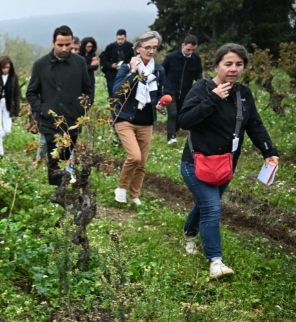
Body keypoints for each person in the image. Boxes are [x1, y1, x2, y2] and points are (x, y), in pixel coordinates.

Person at [178, 44, 278, 279]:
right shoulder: (202, 89)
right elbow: (185, 120)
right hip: (196, 163)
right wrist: (212, 98)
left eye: (239, 64)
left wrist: (268, 151)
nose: (233, 69)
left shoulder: (243, 93)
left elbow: (254, 124)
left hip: (225, 164)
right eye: (228, 64)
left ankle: (188, 234)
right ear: (216, 66)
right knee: (212, 208)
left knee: (205, 204)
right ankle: (216, 262)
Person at [25, 25, 91, 186]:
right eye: (60, 45)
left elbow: (87, 90)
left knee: (67, 157)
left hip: (73, 120)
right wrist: (43, 110)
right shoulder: (41, 65)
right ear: (53, 42)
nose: (64, 48)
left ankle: (65, 190)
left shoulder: (80, 63)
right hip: (50, 121)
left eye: (67, 45)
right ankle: (56, 194)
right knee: (54, 160)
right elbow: (31, 93)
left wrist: (82, 108)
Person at [111, 31, 166, 207]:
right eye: (147, 47)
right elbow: (117, 92)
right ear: (138, 49)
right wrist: (134, 71)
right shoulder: (126, 68)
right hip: (125, 118)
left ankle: (134, 196)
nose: (151, 51)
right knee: (134, 157)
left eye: (154, 48)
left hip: (146, 120)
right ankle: (121, 188)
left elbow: (158, 94)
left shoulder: (158, 70)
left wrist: (159, 104)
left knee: (142, 163)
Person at [163, 35, 202, 144]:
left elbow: (198, 74)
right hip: (170, 90)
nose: (190, 52)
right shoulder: (171, 57)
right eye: (188, 49)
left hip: (186, 92)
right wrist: (165, 84)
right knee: (173, 113)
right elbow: (162, 72)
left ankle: (173, 132)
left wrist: (201, 81)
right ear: (182, 45)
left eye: (193, 50)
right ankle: (171, 138)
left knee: (181, 116)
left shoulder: (196, 59)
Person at [0, 55, 20, 159]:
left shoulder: (14, 76)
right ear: (0, 67)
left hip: (8, 104)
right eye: (4, 67)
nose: (6, 70)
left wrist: (17, 110)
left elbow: (17, 94)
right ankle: (0, 153)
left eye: (8, 67)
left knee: (7, 130)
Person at [101, 29, 134, 99]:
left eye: (122, 39)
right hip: (112, 76)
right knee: (113, 97)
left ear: (126, 37)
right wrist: (111, 66)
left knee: (125, 97)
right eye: (118, 39)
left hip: (126, 76)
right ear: (116, 38)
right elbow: (104, 61)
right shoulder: (110, 47)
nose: (120, 41)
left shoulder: (130, 47)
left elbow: (133, 59)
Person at [80, 37, 99, 104]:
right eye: (88, 46)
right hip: (81, 80)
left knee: (91, 99)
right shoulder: (79, 55)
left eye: (91, 47)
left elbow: (95, 67)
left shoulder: (92, 54)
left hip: (90, 79)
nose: (90, 48)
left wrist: (86, 66)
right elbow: (79, 67)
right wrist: (90, 66)